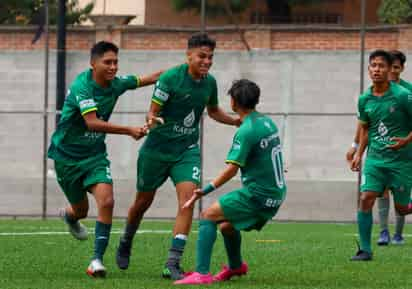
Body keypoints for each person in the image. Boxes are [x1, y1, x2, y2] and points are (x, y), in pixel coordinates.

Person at [116, 33, 241, 280]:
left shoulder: (209, 82)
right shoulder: (170, 78)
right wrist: (152, 120)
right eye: (202, 56)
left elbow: (214, 111)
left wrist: (235, 121)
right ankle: (126, 239)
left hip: (186, 151)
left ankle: (172, 263)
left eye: (210, 57)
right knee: (142, 203)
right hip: (156, 150)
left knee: (188, 200)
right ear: (189, 56)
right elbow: (152, 113)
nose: (207, 61)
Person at [47, 41, 162, 277]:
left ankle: (96, 261)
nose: (113, 67)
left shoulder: (117, 84)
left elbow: (149, 78)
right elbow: (92, 123)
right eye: (107, 62)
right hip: (66, 158)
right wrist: (129, 130)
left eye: (115, 62)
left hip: (95, 156)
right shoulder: (82, 86)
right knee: (81, 210)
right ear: (93, 63)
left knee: (107, 201)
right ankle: (70, 215)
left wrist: (186, 67)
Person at [174, 79, 287, 285]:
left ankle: (202, 274)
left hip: (258, 195)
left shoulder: (246, 131)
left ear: (234, 103)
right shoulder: (267, 122)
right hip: (275, 193)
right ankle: (236, 267)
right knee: (227, 226)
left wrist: (205, 190)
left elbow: (231, 168)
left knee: (208, 215)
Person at [350, 50, 412, 261]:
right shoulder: (364, 99)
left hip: (401, 161)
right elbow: (366, 129)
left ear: (389, 70)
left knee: (402, 209)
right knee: (366, 198)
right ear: (369, 69)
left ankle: (402, 211)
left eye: (381, 66)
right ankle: (365, 250)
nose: (377, 69)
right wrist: (359, 153)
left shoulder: (403, 95)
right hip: (375, 159)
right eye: (373, 65)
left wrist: (406, 140)